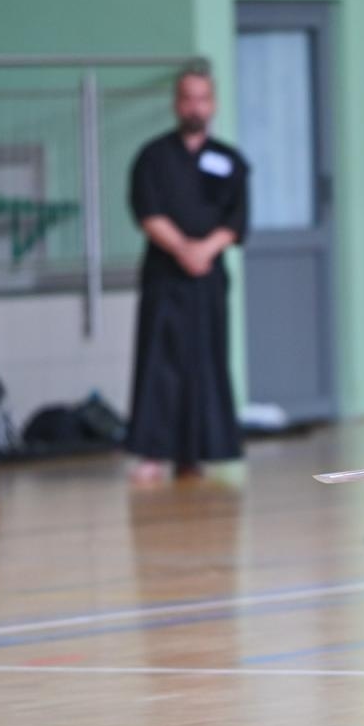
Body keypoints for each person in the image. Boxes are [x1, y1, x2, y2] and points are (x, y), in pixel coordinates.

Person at [125, 64, 248, 483]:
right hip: (165, 274)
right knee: (160, 361)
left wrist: (204, 250)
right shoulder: (153, 156)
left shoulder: (229, 160)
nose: (194, 105)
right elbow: (147, 211)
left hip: (208, 275)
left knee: (206, 361)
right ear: (176, 103)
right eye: (187, 97)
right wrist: (181, 249)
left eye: (202, 98)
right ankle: (152, 451)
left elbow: (236, 219)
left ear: (212, 104)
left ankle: (201, 451)